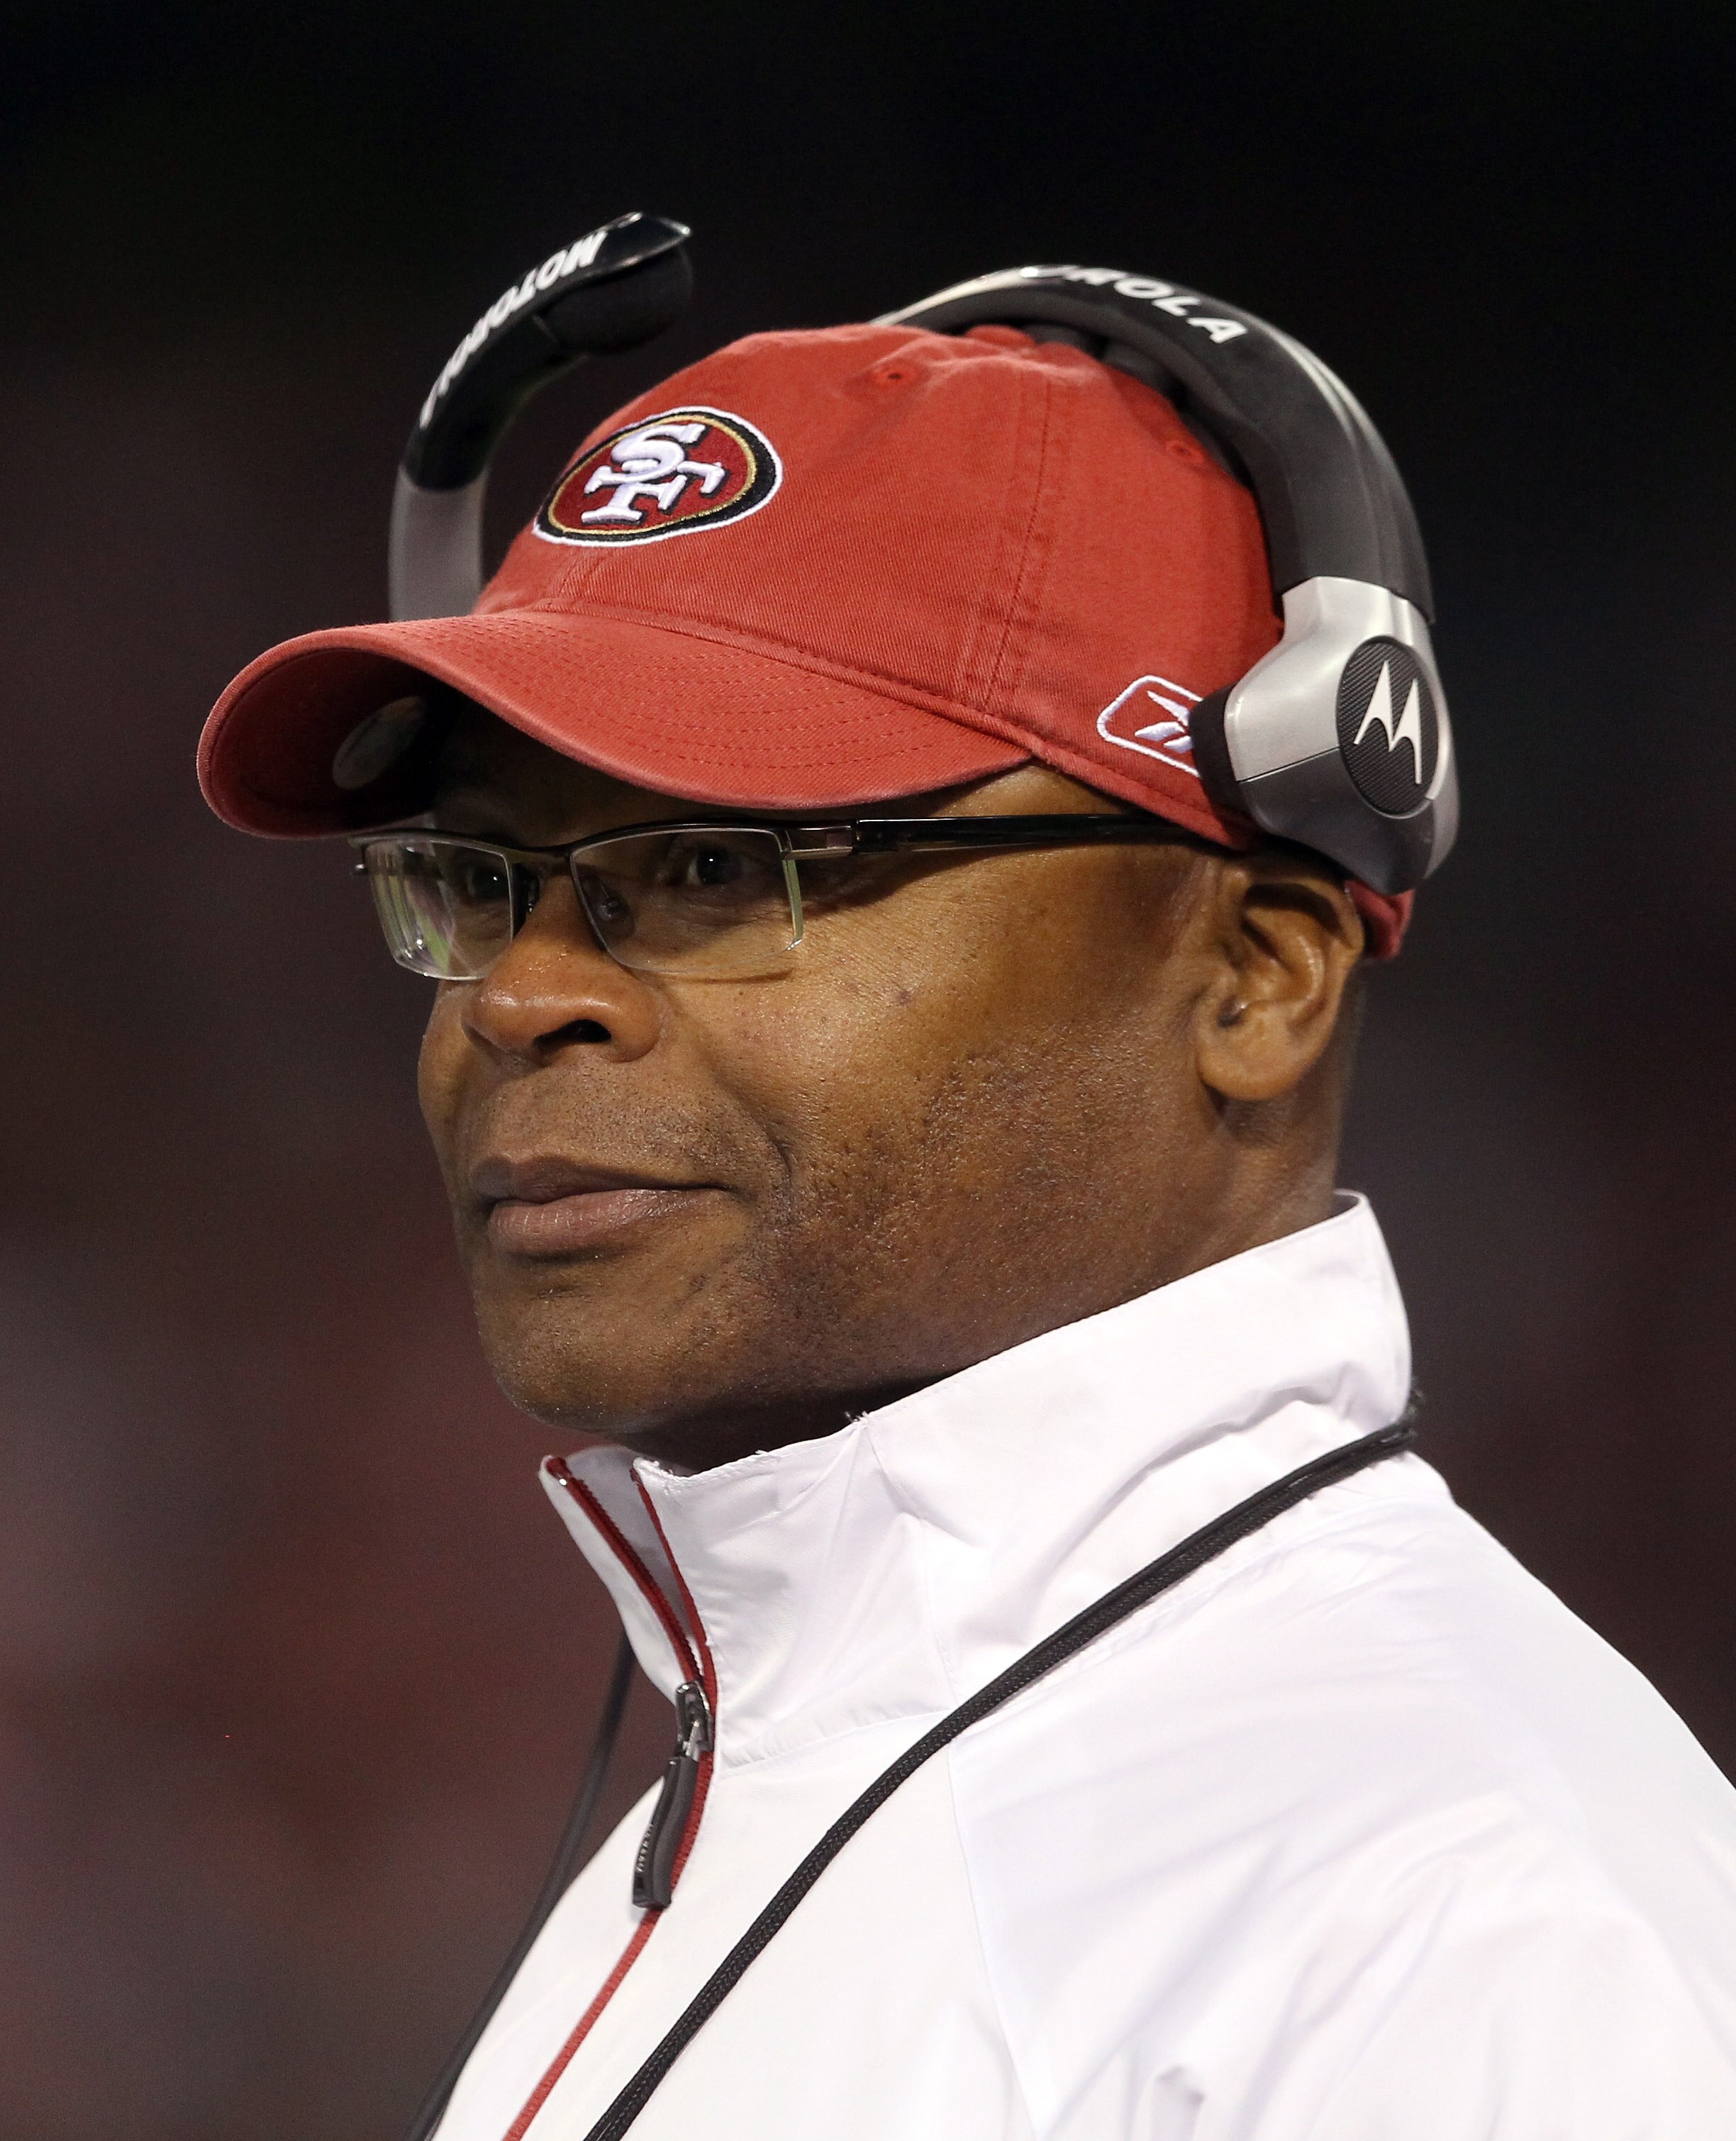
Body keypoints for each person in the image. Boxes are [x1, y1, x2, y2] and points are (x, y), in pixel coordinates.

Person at [198, 306, 1736, 2138]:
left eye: (711, 865)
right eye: (477, 879)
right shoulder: (802, 1742)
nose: (521, 998)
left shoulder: (1455, 1918)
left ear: (1255, 978)